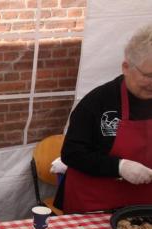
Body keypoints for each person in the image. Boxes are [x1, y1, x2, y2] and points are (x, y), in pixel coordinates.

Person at [54, 23, 152, 213]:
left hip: (143, 206)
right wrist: (119, 167)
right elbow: (72, 153)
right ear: (126, 67)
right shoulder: (97, 102)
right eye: (149, 75)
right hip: (94, 205)